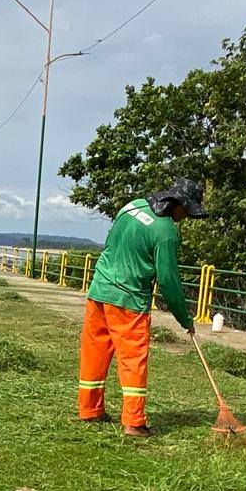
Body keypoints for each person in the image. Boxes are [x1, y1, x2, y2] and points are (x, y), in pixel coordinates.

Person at [78, 178, 208, 437]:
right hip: (129, 301)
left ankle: (90, 410)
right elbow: (169, 281)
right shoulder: (166, 232)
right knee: (133, 360)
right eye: (187, 212)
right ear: (178, 204)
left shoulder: (131, 207)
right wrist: (185, 318)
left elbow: (110, 243)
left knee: (95, 352)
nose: (185, 218)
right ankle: (134, 422)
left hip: (99, 290)